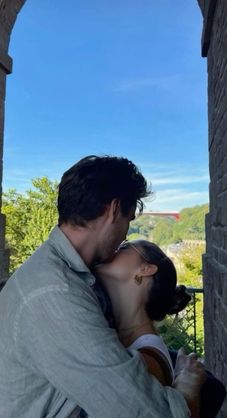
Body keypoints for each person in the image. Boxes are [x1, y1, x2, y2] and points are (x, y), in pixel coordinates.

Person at [0, 155, 205, 418]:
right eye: (128, 220)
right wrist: (187, 393)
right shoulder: (57, 292)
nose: (124, 236)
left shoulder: (61, 275)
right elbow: (145, 411)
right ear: (113, 210)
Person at [92, 239, 226, 418]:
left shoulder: (147, 359)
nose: (114, 250)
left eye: (124, 247)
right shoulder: (134, 343)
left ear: (145, 270)